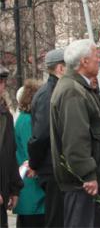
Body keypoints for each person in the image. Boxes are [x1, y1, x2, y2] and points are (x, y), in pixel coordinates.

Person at [50, 39, 100, 227]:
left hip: (82, 182)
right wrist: (87, 174)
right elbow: (75, 140)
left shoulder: (78, 87)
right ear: (84, 62)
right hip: (80, 183)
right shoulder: (73, 91)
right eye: (96, 55)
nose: (99, 59)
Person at [27, 49, 66, 227]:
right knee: (56, 218)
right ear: (60, 68)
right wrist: (34, 163)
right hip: (53, 168)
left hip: (58, 166)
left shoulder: (57, 89)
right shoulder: (47, 94)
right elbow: (41, 135)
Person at [14, 79, 44, 227]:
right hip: (32, 188)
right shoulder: (27, 121)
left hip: (29, 188)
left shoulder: (24, 119)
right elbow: (31, 151)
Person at [0, 65, 23, 228]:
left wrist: (15, 188)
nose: (1, 86)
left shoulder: (5, 115)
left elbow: (10, 153)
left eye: (2, 82)